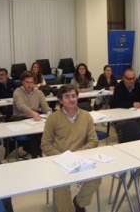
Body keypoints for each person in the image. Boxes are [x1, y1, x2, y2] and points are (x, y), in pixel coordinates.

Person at [41, 84, 101, 212]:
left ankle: (79, 202)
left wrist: (79, 155)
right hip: (60, 160)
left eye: (74, 96)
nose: (71, 99)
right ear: (61, 100)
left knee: (97, 177)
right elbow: (45, 144)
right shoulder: (53, 118)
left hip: (81, 159)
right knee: (62, 185)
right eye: (67, 97)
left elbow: (93, 140)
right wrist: (63, 158)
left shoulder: (86, 116)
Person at [12, 70, 50, 158]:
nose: (29, 85)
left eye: (32, 82)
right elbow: (21, 105)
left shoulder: (39, 93)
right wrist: (32, 112)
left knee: (45, 129)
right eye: (27, 82)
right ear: (22, 82)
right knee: (35, 133)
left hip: (34, 119)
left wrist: (49, 112)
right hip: (20, 118)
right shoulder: (17, 92)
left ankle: (41, 153)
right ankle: (36, 155)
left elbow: (45, 106)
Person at [111, 68, 140, 134]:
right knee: (124, 125)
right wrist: (132, 104)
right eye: (129, 79)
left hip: (136, 113)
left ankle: (136, 136)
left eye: (133, 78)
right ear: (124, 78)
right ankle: (130, 137)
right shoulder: (119, 87)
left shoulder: (138, 85)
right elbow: (117, 102)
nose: (132, 81)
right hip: (122, 114)